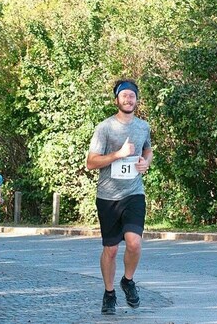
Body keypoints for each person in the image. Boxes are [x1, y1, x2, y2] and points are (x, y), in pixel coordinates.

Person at [86, 79, 152, 315]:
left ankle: (128, 280)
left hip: (134, 193)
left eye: (132, 95)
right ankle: (109, 293)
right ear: (116, 99)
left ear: (136, 99)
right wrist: (118, 154)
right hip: (108, 197)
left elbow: (148, 149)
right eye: (123, 95)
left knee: (134, 242)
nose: (128, 99)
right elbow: (90, 162)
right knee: (111, 250)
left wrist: (146, 162)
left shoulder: (143, 127)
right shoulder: (104, 128)